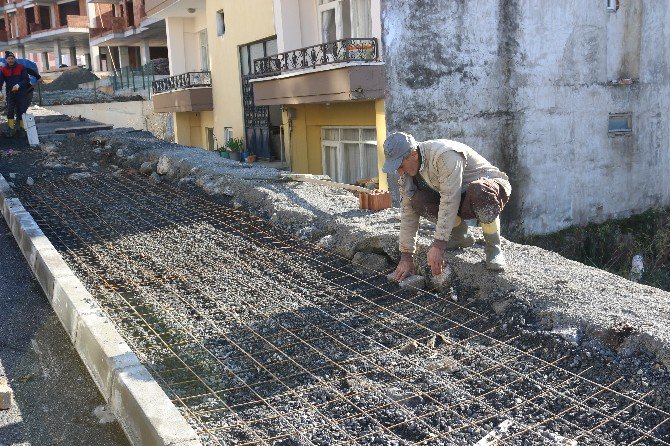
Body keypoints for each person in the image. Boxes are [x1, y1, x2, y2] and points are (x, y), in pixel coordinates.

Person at [382, 132, 512, 280]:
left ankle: (493, 247)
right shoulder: (408, 174)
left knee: (480, 191)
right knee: (417, 201)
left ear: (413, 154)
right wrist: (406, 257)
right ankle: (460, 236)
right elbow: (407, 211)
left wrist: (438, 245)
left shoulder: (444, 155)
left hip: (488, 189)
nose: (399, 171)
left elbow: (449, 199)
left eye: (400, 165)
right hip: (459, 197)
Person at [0, 51, 30, 137]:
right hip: (10, 93)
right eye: (9, 59)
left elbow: (26, 80)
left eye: (12, 59)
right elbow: (0, 82)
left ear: (14, 59)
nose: (10, 60)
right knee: (10, 111)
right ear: (6, 60)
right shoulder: (4, 70)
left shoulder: (21, 67)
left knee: (21, 110)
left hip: (21, 92)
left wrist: (19, 85)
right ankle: (11, 129)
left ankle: (21, 129)